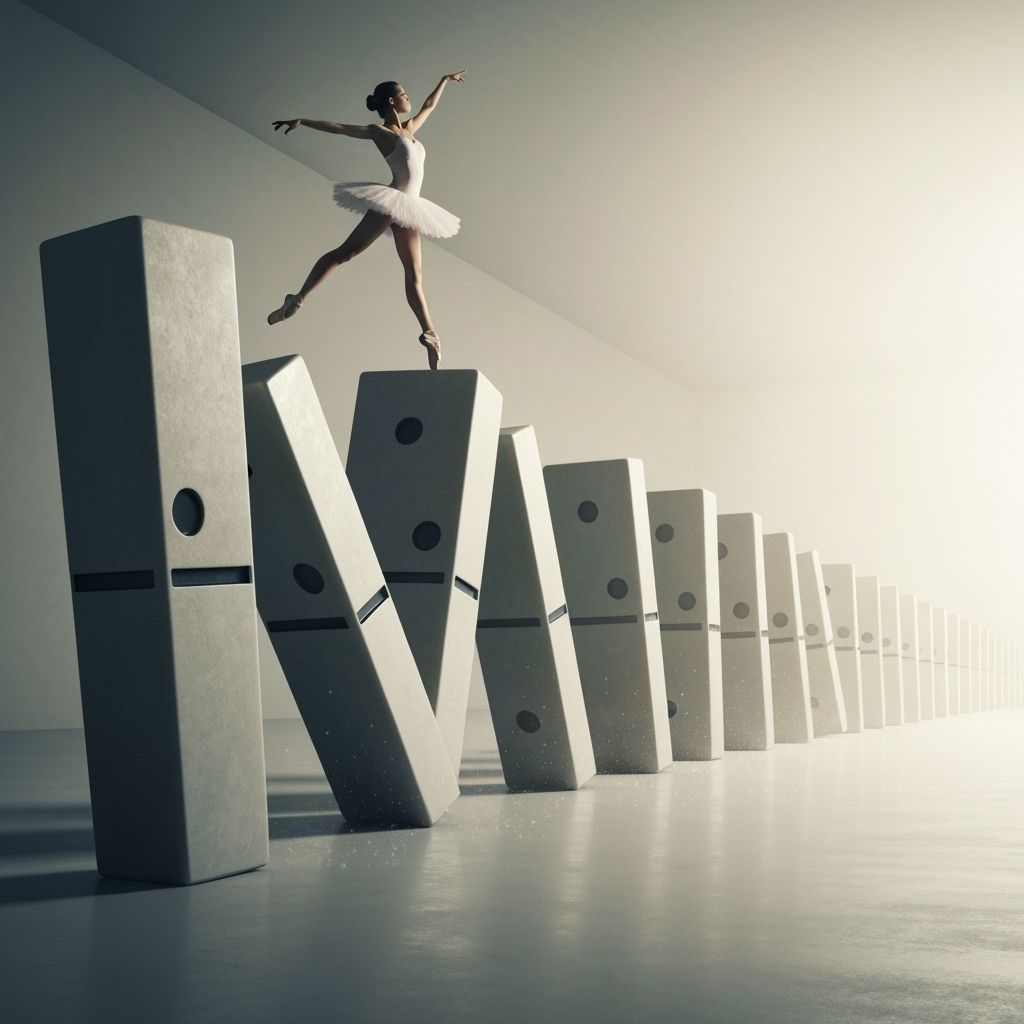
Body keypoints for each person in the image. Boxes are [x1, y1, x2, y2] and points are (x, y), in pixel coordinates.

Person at [267, 72, 466, 370]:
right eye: (403, 93)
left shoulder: (410, 129)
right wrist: (303, 121)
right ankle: (297, 300)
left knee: (414, 275)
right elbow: (341, 128)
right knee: (345, 253)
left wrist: (444, 81)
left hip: (411, 207)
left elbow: (429, 106)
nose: (408, 97)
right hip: (393, 200)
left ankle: (430, 333)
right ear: (391, 101)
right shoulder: (380, 132)